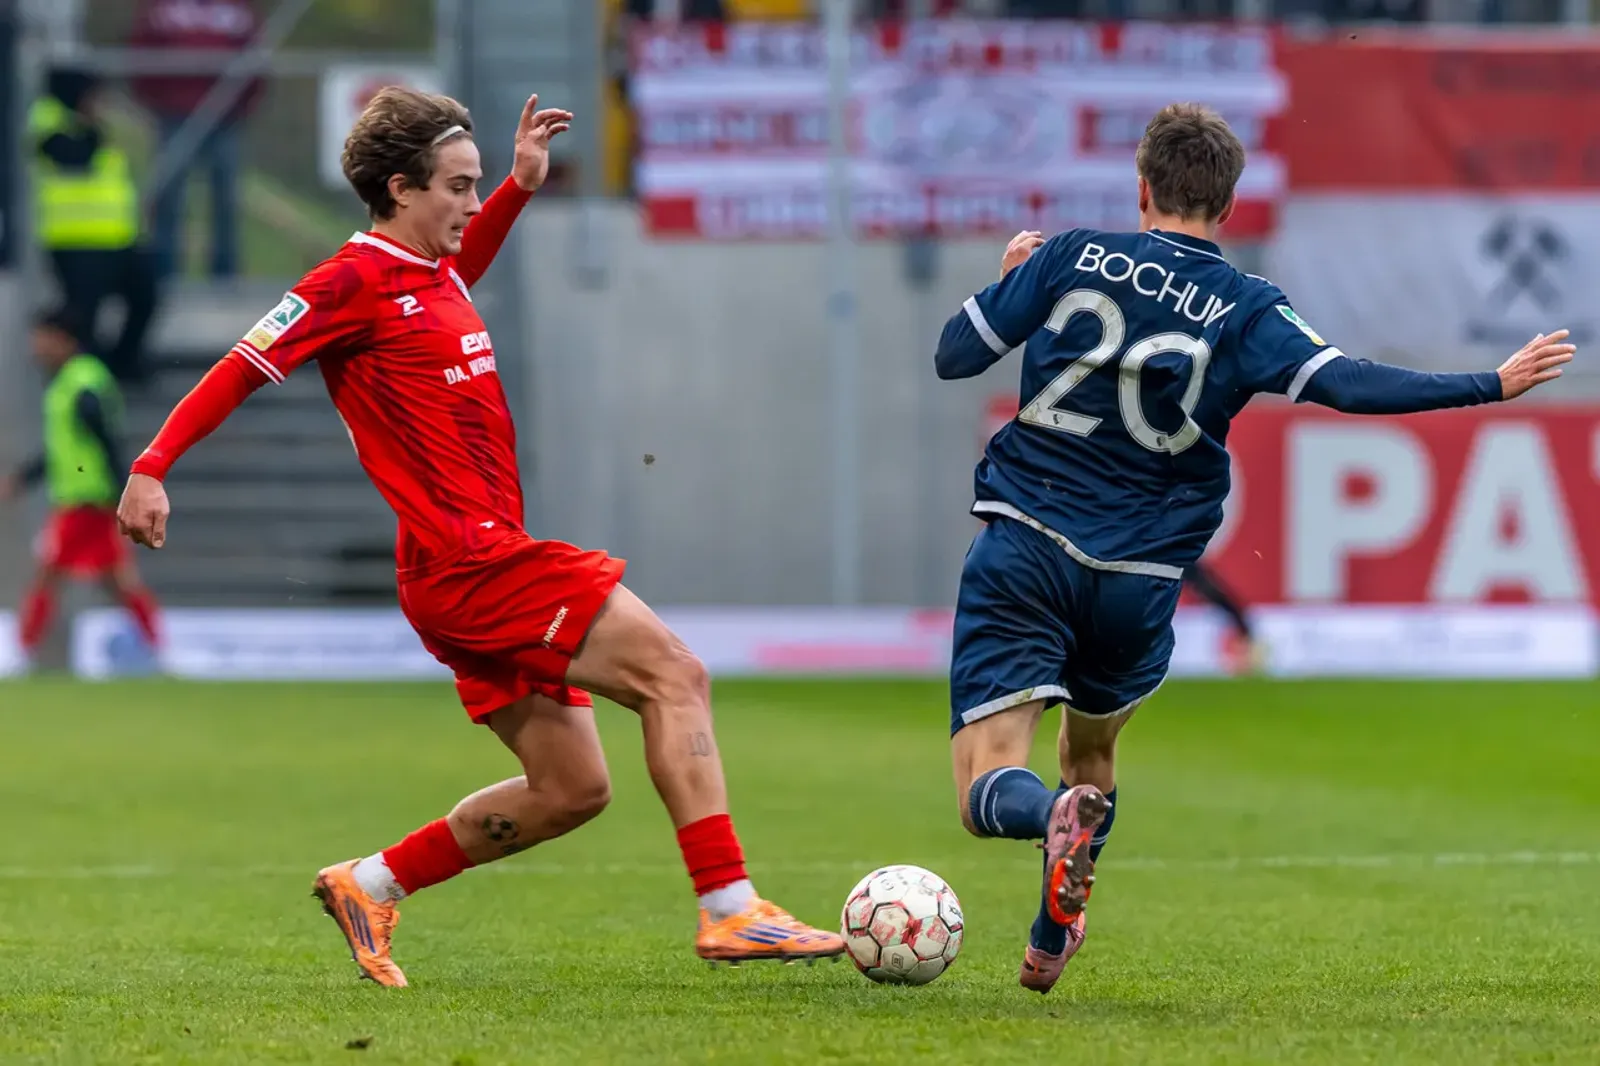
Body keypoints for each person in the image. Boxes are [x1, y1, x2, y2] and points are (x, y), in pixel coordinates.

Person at [115, 87, 845, 987]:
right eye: (458, 187)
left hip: (464, 567)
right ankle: (732, 908)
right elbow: (241, 366)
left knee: (572, 788)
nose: (470, 203)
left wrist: (519, 186)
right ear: (400, 190)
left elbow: (460, 262)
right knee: (675, 676)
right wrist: (152, 465)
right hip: (474, 563)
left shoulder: (436, 272)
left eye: (474, 186)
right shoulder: (349, 282)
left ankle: (369, 883)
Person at [933, 103, 1576, 995]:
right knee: (1093, 753)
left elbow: (954, 356)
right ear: (1228, 206)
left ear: (1142, 187)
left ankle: (1047, 817)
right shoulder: (1247, 306)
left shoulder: (1069, 255)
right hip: (1139, 579)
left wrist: (1013, 280)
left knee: (987, 783)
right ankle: (1053, 933)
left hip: (1029, 547)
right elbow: (1347, 384)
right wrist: (1489, 383)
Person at [0, 310, 163, 665]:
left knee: (48, 573)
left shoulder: (81, 382)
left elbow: (106, 440)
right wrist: (24, 478)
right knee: (117, 581)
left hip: (86, 501)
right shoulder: (71, 382)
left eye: (42, 339)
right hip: (88, 500)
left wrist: (126, 490)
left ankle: (20, 652)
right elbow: (63, 450)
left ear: (63, 339)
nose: (36, 348)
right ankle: (158, 646)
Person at [30, 66, 159, 385]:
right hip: (75, 238)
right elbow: (75, 156)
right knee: (84, 314)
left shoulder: (93, 124)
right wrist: (91, 126)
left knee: (145, 295)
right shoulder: (48, 121)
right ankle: (93, 374)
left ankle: (122, 363)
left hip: (117, 237)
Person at [129, 0, 264, 282]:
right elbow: (142, 53)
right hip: (174, 115)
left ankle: (224, 275)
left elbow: (256, 57)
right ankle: (165, 272)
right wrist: (158, 101)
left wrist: (241, 106)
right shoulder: (163, 9)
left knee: (225, 197)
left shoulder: (236, 11)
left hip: (225, 117)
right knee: (169, 195)